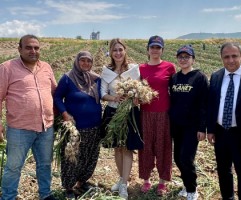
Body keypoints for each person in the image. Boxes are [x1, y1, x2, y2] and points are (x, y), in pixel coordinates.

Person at [0, 34, 57, 200]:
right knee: (13, 166)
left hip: (46, 127)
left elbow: (55, 92)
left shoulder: (46, 67)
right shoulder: (7, 68)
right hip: (19, 129)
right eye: (29, 47)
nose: (33, 51)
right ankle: (8, 196)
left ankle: (45, 194)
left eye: (36, 48)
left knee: (45, 164)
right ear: (19, 49)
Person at [206, 42, 241, 200]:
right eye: (226, 57)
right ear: (221, 58)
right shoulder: (216, 76)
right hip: (220, 131)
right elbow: (212, 104)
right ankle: (228, 197)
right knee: (223, 169)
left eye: (234, 56)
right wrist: (210, 129)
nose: (231, 60)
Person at [53, 51, 102, 199]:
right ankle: (69, 187)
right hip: (75, 127)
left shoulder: (96, 79)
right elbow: (57, 97)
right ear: (77, 61)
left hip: (94, 126)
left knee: (89, 155)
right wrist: (65, 114)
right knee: (71, 158)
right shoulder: (68, 78)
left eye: (89, 61)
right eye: (83, 60)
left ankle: (82, 181)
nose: (86, 63)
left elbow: (103, 96)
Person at [100, 38, 143, 200]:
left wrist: (135, 97)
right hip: (112, 112)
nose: (118, 53)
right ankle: (121, 178)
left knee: (127, 147)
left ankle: (124, 184)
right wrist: (114, 97)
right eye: (114, 50)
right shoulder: (106, 70)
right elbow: (102, 93)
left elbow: (139, 90)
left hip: (130, 113)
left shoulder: (133, 70)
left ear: (125, 51)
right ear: (110, 53)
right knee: (117, 147)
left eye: (120, 49)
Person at [169, 45, 208, 200]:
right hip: (177, 125)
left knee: (186, 158)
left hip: (192, 126)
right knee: (178, 158)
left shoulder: (199, 77)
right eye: (181, 57)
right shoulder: (174, 78)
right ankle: (186, 184)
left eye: (187, 57)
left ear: (193, 59)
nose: (183, 59)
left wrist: (202, 127)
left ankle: (192, 189)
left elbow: (205, 103)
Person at [138, 35, 176, 196]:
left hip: (164, 113)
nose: (155, 50)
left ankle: (162, 181)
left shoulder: (169, 67)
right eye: (152, 47)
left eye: (158, 47)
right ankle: (146, 179)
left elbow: (174, 90)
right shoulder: (140, 68)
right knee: (146, 147)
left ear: (162, 50)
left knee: (163, 146)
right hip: (145, 112)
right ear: (147, 50)